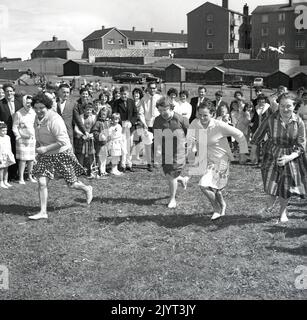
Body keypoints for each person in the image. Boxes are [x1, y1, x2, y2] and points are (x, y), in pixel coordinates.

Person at [30, 93, 93, 220]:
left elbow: (63, 141)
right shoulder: (37, 118)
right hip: (46, 155)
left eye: (41, 107)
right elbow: (39, 135)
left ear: (47, 107)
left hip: (61, 153)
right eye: (35, 107)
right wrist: (38, 148)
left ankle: (87, 188)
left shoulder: (55, 120)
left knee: (72, 184)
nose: (38, 110)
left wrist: (45, 148)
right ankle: (43, 212)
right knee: (42, 182)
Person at [250, 93, 307, 223]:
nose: (285, 109)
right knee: (270, 182)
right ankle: (271, 199)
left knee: (285, 187)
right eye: (282, 106)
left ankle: (283, 212)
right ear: (278, 105)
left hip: (291, 156)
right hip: (271, 154)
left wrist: (289, 157)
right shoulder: (271, 119)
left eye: (288, 106)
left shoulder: (299, 122)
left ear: (294, 106)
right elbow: (258, 134)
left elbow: (301, 144)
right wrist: (253, 151)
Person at [187, 101, 249, 220]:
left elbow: (240, 135)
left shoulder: (219, 125)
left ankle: (217, 209)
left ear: (213, 114)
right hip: (205, 160)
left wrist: (243, 153)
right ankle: (222, 205)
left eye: (205, 115)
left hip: (221, 160)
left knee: (205, 185)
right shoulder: (195, 123)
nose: (202, 118)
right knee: (215, 188)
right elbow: (190, 139)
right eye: (200, 114)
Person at [153, 97, 190, 209]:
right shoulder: (158, 120)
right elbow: (158, 137)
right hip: (165, 151)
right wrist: (158, 152)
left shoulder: (181, 119)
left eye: (165, 110)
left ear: (171, 107)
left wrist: (189, 146)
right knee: (169, 174)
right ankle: (183, 179)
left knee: (171, 175)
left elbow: (190, 133)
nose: (162, 113)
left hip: (178, 152)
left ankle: (172, 199)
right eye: (160, 111)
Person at [0, 83, 23, 180]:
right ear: (4, 93)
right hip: (6, 132)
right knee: (8, 152)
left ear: (13, 92)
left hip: (18, 131)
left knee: (18, 151)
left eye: (11, 91)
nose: (9, 93)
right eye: (7, 91)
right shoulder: (0, 104)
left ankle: (16, 173)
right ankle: (8, 175)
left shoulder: (20, 103)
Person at [112, 86, 138, 172]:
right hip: (121, 128)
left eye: (125, 94)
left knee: (130, 146)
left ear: (128, 94)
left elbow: (135, 114)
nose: (124, 96)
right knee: (123, 146)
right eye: (122, 94)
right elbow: (115, 114)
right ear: (120, 94)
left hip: (130, 127)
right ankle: (122, 164)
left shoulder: (131, 102)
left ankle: (129, 164)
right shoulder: (117, 103)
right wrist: (121, 123)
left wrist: (131, 122)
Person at [12, 95, 36, 184]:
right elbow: (14, 127)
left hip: (31, 139)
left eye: (30, 103)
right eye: (27, 102)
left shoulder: (33, 113)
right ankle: (21, 178)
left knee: (31, 159)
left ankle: (30, 176)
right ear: (24, 102)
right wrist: (18, 137)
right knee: (22, 159)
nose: (29, 104)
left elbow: (35, 125)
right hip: (21, 140)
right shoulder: (18, 113)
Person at [139, 81, 162, 171]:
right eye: (151, 88)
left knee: (157, 144)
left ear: (156, 89)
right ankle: (149, 163)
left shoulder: (160, 98)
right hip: (148, 124)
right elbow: (141, 112)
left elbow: (163, 111)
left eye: (154, 88)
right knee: (148, 144)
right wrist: (144, 123)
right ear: (147, 89)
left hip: (158, 124)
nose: (152, 90)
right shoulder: (143, 99)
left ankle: (156, 161)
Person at [74, 103, 97, 177]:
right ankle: (80, 170)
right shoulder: (80, 117)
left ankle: (90, 169)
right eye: (87, 109)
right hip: (82, 138)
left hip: (90, 138)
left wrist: (92, 134)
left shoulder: (94, 117)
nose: (89, 111)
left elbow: (95, 128)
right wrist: (83, 135)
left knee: (91, 154)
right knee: (81, 154)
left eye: (90, 110)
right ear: (84, 110)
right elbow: (76, 129)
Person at [91, 108, 111, 177]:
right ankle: (100, 170)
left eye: (104, 114)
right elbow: (94, 131)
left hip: (106, 143)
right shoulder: (98, 122)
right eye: (102, 114)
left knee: (105, 157)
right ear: (100, 114)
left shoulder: (108, 122)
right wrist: (100, 135)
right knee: (100, 157)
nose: (103, 115)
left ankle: (104, 170)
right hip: (100, 143)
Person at [0, 121, 15, 188]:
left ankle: (6, 181)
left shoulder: (8, 137)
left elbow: (9, 146)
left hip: (7, 155)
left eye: (5, 130)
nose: (4, 132)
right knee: (1, 169)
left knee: (6, 168)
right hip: (1, 155)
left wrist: (11, 153)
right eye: (3, 130)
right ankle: (1, 182)